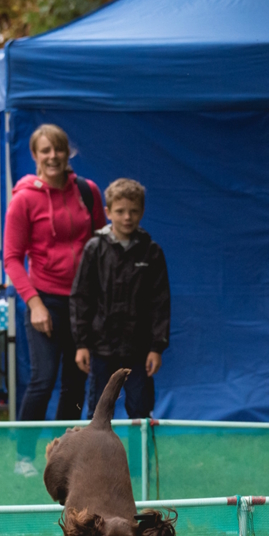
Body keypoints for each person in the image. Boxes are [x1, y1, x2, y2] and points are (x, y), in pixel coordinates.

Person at [4, 123, 105, 474]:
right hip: (44, 301)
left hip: (83, 305)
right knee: (43, 379)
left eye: (58, 149)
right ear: (34, 156)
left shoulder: (88, 192)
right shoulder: (23, 199)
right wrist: (34, 304)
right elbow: (12, 258)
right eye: (44, 150)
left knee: (75, 381)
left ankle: (62, 457)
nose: (52, 156)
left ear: (67, 153)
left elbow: (100, 244)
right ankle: (24, 456)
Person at [71, 178, 169, 419]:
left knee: (140, 411)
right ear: (107, 212)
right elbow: (81, 297)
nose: (127, 217)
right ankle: (97, 459)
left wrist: (156, 347)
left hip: (139, 350)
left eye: (134, 211)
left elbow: (160, 303)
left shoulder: (152, 252)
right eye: (120, 211)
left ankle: (140, 458)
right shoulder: (94, 249)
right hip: (101, 348)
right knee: (99, 413)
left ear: (142, 213)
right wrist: (82, 343)